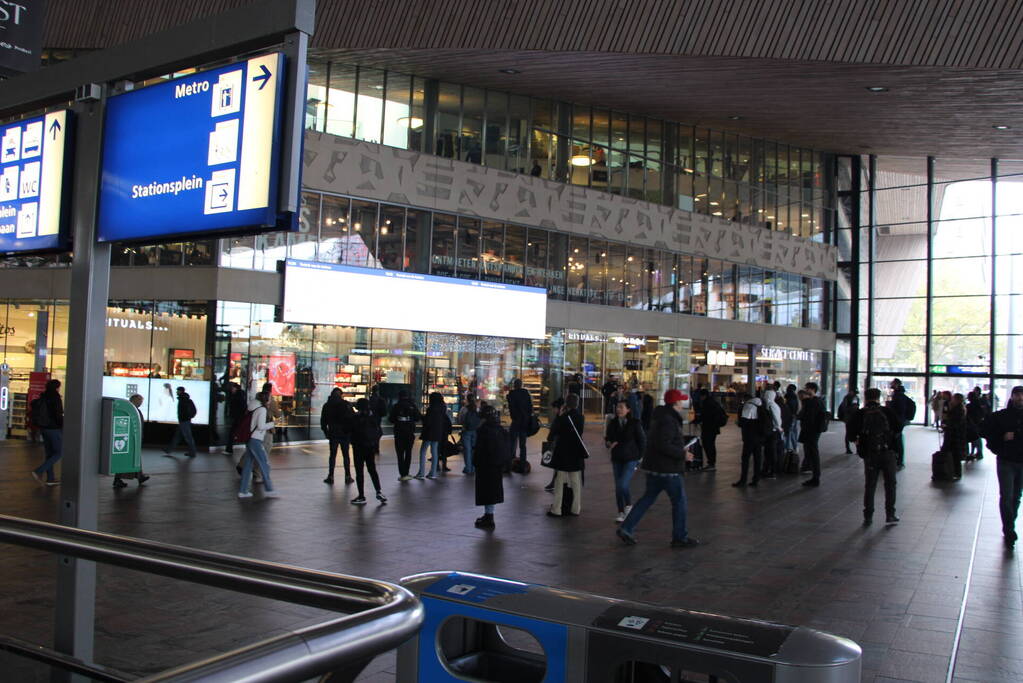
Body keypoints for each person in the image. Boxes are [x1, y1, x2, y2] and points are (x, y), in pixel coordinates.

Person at [616, 389, 700, 548]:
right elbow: (663, 444)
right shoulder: (669, 420)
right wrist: (682, 454)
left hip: (655, 468)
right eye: (680, 401)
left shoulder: (661, 416)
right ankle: (679, 537)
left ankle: (626, 528)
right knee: (679, 502)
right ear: (675, 403)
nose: (682, 403)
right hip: (668, 470)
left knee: (647, 499)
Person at [847, 387, 900, 526]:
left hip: (870, 454)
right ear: (878, 398)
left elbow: (850, 434)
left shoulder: (860, 413)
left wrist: (859, 442)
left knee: (870, 485)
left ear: (865, 398)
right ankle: (890, 514)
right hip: (887, 452)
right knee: (890, 484)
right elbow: (898, 427)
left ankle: (868, 516)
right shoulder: (887, 411)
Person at [980, 385, 1023, 549]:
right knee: (1006, 496)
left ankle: (1009, 523)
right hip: (1006, 461)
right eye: (1017, 395)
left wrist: (1015, 435)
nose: (1020, 398)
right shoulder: (1001, 416)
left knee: (1016, 497)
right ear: (1012, 397)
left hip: (1020, 461)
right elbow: (984, 431)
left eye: (1022, 395)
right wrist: (1000, 442)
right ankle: (1009, 529)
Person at [546, 393, 586, 517]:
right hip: (576, 453)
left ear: (566, 404)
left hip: (562, 453)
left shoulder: (562, 418)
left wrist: (559, 416)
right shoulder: (581, 418)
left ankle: (557, 509)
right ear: (577, 404)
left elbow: (551, 436)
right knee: (575, 481)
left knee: (559, 481)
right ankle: (576, 508)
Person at [605, 399, 646, 522]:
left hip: (631, 458)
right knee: (619, 486)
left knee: (622, 484)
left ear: (628, 409)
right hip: (617, 457)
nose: (618, 409)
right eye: (617, 407)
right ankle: (621, 512)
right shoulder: (613, 422)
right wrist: (609, 443)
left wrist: (640, 457)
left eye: (621, 407)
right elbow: (608, 438)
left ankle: (628, 505)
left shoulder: (634, 423)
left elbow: (642, 440)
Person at [473, 403, 509, 529]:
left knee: (486, 492)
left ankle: (489, 518)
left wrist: (475, 462)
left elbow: (480, 450)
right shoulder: (499, 429)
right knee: (492, 492)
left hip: (485, 466)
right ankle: (489, 514)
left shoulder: (484, 431)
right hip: (497, 465)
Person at [237, 392, 278, 499]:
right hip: (256, 439)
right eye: (270, 398)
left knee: (248, 466)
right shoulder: (262, 409)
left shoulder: (253, 407)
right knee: (264, 464)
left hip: (250, 439)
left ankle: (243, 490)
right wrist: (273, 423)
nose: (271, 400)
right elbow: (261, 426)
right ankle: (269, 489)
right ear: (266, 399)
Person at [349, 398, 386, 505]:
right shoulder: (373, 417)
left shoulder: (355, 418)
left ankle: (361, 495)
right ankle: (378, 491)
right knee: (372, 470)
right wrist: (374, 443)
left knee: (359, 472)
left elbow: (348, 430)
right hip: (369, 447)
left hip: (358, 447)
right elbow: (379, 432)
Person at [30, 379, 64, 486]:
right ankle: (39, 471)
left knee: (50, 453)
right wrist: (62, 425)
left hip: (44, 428)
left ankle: (50, 478)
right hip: (53, 428)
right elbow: (58, 414)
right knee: (60, 452)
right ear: (56, 387)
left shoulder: (43, 396)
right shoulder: (56, 398)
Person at [114, 394, 151, 488]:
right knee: (127, 459)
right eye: (139, 400)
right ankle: (118, 479)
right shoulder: (130, 411)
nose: (141, 403)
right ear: (134, 400)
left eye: (141, 401)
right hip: (130, 439)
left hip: (133, 439)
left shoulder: (133, 410)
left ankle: (139, 476)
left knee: (134, 458)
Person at [320, 388, 354, 485]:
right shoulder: (346, 404)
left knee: (332, 455)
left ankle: (331, 476)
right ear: (341, 395)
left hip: (333, 433)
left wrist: (326, 432)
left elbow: (323, 421)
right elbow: (352, 417)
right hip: (345, 433)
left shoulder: (327, 405)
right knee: (346, 455)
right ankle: (348, 476)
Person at [734, 394, 766, 487]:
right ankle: (756, 479)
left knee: (745, 458)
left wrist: (738, 422)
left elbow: (743, 422)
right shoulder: (760, 405)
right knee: (757, 458)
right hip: (759, 436)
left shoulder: (747, 406)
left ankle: (743, 480)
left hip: (749, 437)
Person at [798, 382, 827, 487]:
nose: (806, 390)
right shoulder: (818, 401)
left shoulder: (813, 402)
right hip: (814, 431)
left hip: (811, 431)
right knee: (812, 452)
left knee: (813, 453)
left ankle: (816, 477)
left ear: (812, 389)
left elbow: (807, 417)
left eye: (807, 388)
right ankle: (814, 475)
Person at [417, 392, 452, 479]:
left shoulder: (431, 409)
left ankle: (421, 473)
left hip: (429, 433)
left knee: (423, 451)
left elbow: (427, 421)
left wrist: (421, 417)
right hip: (438, 432)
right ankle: (433, 473)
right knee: (435, 452)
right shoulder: (443, 408)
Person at [389, 389, 421, 481]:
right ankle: (406, 472)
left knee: (400, 454)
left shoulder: (396, 406)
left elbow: (391, 419)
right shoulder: (412, 405)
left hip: (398, 432)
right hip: (409, 432)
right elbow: (418, 417)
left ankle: (402, 473)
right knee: (408, 452)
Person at [887, 379, 915, 469]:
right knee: (896, 440)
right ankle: (897, 461)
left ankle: (899, 462)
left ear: (896, 384)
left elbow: (899, 411)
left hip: (897, 422)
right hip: (899, 421)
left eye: (892, 383)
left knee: (897, 441)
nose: (891, 384)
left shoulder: (898, 396)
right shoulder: (899, 395)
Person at [695, 390, 726, 471]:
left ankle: (711, 464)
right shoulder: (713, 402)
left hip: (709, 428)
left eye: (700, 396)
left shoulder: (707, 403)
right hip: (713, 428)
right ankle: (712, 463)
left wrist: (697, 420)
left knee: (708, 445)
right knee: (711, 445)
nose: (700, 398)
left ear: (703, 396)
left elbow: (705, 416)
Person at [164, 386, 198, 457]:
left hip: (184, 421)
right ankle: (169, 450)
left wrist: (187, 417)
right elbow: (193, 411)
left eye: (178, 390)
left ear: (181, 391)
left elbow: (185, 411)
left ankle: (192, 452)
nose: (176, 392)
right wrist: (189, 417)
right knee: (178, 436)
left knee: (188, 437)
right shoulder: (185, 399)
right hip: (184, 421)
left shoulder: (183, 400)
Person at [506, 378, 533, 468]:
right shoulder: (526, 393)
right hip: (524, 421)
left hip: (515, 421)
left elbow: (510, 407)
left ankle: (510, 462)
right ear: (521, 385)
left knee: (512, 442)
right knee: (523, 444)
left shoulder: (511, 394)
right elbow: (530, 407)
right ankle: (522, 462)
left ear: (514, 385)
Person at [942, 393, 968, 480]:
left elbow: (954, 422)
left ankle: (955, 472)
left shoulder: (957, 410)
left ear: (956, 400)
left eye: (953, 398)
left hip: (954, 435)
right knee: (955, 454)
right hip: (956, 435)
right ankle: (955, 472)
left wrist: (947, 425)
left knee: (954, 454)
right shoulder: (960, 409)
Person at [760, 388, 783, 479]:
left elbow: (776, 419)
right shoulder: (772, 405)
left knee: (771, 451)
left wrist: (778, 427)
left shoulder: (771, 405)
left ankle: (772, 471)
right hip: (772, 431)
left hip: (773, 432)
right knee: (768, 451)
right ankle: (767, 470)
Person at [457, 396, 482, 474]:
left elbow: (460, 420)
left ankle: (468, 468)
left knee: (467, 450)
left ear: (467, 400)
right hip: (475, 431)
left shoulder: (464, 409)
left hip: (466, 431)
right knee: (473, 449)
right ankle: (473, 468)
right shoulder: (477, 408)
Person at [224, 382, 247, 455]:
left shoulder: (238, 396)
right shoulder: (240, 395)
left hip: (238, 417)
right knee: (235, 433)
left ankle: (229, 449)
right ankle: (229, 449)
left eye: (232, 388)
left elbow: (240, 407)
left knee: (232, 433)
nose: (231, 390)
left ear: (235, 388)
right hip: (239, 417)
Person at [966, 390, 987, 461]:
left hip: (971, 425)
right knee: (977, 439)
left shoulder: (969, 406)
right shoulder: (978, 404)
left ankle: (972, 453)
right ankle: (979, 453)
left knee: (973, 439)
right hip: (978, 424)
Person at [838, 389, 860, 454]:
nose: (855, 394)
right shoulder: (847, 398)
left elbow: (857, 405)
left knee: (854, 433)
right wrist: (853, 408)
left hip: (853, 417)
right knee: (849, 433)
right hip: (849, 418)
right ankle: (848, 449)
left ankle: (855, 449)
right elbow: (845, 408)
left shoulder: (855, 397)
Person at [261, 382, 281, 452]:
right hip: (267, 427)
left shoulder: (257, 398)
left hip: (255, 428)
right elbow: (277, 415)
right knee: (267, 445)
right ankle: (262, 459)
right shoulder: (271, 401)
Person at [784, 384, 801, 457]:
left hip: (789, 417)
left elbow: (788, 407)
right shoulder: (795, 397)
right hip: (794, 416)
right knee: (793, 432)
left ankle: (788, 447)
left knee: (789, 432)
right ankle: (795, 446)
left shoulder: (788, 396)